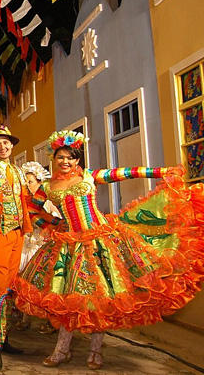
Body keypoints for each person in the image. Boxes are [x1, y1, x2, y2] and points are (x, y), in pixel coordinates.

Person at [14, 130, 204, 370]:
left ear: (77, 159)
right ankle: (61, 351)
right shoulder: (49, 187)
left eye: (70, 158)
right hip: (69, 246)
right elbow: (31, 210)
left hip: (101, 242)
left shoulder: (90, 177)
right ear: (54, 158)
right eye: (61, 157)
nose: (65, 162)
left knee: (101, 298)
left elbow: (125, 173)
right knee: (69, 300)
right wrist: (53, 224)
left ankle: (95, 352)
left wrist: (162, 172)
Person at [0, 125, 56, 370]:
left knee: (9, 286)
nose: (2, 147)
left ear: (12, 146)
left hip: (17, 234)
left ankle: (3, 338)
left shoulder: (17, 172)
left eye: (6, 143)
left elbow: (26, 202)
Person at [11, 161, 59, 333]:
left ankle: (50, 320)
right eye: (25, 182)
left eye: (30, 182)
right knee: (24, 282)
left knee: (43, 284)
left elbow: (54, 221)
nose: (27, 185)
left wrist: (42, 224)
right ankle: (25, 316)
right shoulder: (21, 202)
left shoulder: (47, 203)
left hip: (41, 246)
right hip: (26, 245)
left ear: (39, 183)